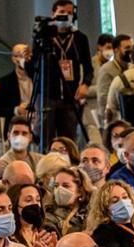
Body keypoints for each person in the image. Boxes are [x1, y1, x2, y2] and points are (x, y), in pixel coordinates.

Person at [30, 0, 93, 143]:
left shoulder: (80, 38)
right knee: (45, 138)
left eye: (69, 13)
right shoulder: (43, 37)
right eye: (62, 12)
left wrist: (85, 84)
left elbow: (89, 67)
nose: (66, 16)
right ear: (53, 14)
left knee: (69, 139)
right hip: (47, 95)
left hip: (70, 97)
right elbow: (34, 66)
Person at [0, 44, 35, 137]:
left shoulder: (39, 78)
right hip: (17, 123)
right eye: (18, 55)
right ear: (13, 59)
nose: (22, 59)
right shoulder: (6, 81)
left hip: (37, 122)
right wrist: (16, 110)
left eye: (25, 55)